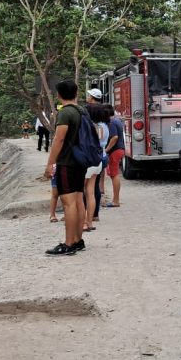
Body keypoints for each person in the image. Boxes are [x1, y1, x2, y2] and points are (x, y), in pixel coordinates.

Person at [44, 80, 87, 256]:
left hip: (67, 163)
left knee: (68, 204)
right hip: (80, 161)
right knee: (78, 200)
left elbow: (59, 139)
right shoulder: (81, 111)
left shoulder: (65, 113)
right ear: (76, 92)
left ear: (59, 95)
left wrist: (50, 164)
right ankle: (78, 240)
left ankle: (69, 243)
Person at [86, 103, 110, 228]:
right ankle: (92, 217)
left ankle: (87, 218)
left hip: (92, 158)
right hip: (101, 156)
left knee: (88, 190)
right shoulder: (104, 125)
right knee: (94, 189)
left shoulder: (94, 127)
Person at [103, 104, 125, 208]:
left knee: (114, 174)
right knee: (114, 174)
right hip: (119, 150)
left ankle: (116, 200)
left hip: (114, 151)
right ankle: (115, 199)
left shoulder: (111, 122)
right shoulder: (117, 121)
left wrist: (106, 150)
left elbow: (114, 137)